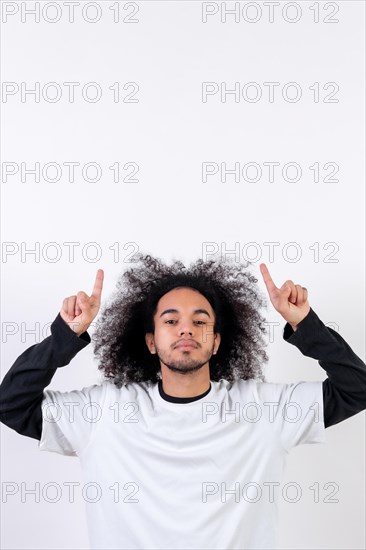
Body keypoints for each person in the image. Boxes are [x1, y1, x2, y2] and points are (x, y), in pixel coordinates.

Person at [1, 253, 365, 550]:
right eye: (171, 320)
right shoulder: (105, 411)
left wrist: (306, 324)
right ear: (150, 340)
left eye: (200, 320)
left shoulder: (264, 410)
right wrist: (65, 336)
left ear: (218, 341)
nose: (186, 329)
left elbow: (357, 388)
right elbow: (12, 404)